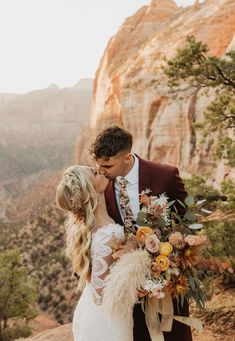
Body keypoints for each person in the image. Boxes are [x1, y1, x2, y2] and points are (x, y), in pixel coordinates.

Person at [89, 126, 193, 341]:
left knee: (174, 333)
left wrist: (173, 257)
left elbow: (187, 220)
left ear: (127, 158)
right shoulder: (101, 187)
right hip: (125, 283)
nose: (101, 171)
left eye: (107, 165)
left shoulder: (165, 175)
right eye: (98, 165)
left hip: (166, 277)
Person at [56, 165, 133, 341]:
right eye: (95, 173)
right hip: (106, 322)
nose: (100, 170)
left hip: (93, 311)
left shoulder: (92, 227)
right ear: (91, 192)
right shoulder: (108, 233)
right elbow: (102, 294)